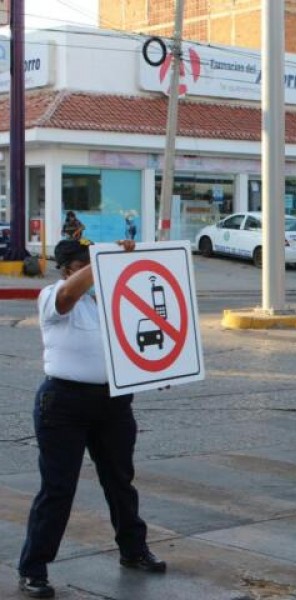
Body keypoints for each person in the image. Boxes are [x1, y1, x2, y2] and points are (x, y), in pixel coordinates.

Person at [18, 238, 166, 599]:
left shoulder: (107, 303)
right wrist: (104, 261)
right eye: (89, 261)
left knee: (120, 482)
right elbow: (68, 297)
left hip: (113, 404)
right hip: (64, 404)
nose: (99, 266)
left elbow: (136, 343)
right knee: (58, 489)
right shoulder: (53, 296)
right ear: (71, 266)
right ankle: (32, 569)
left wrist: (161, 369)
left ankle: (133, 551)